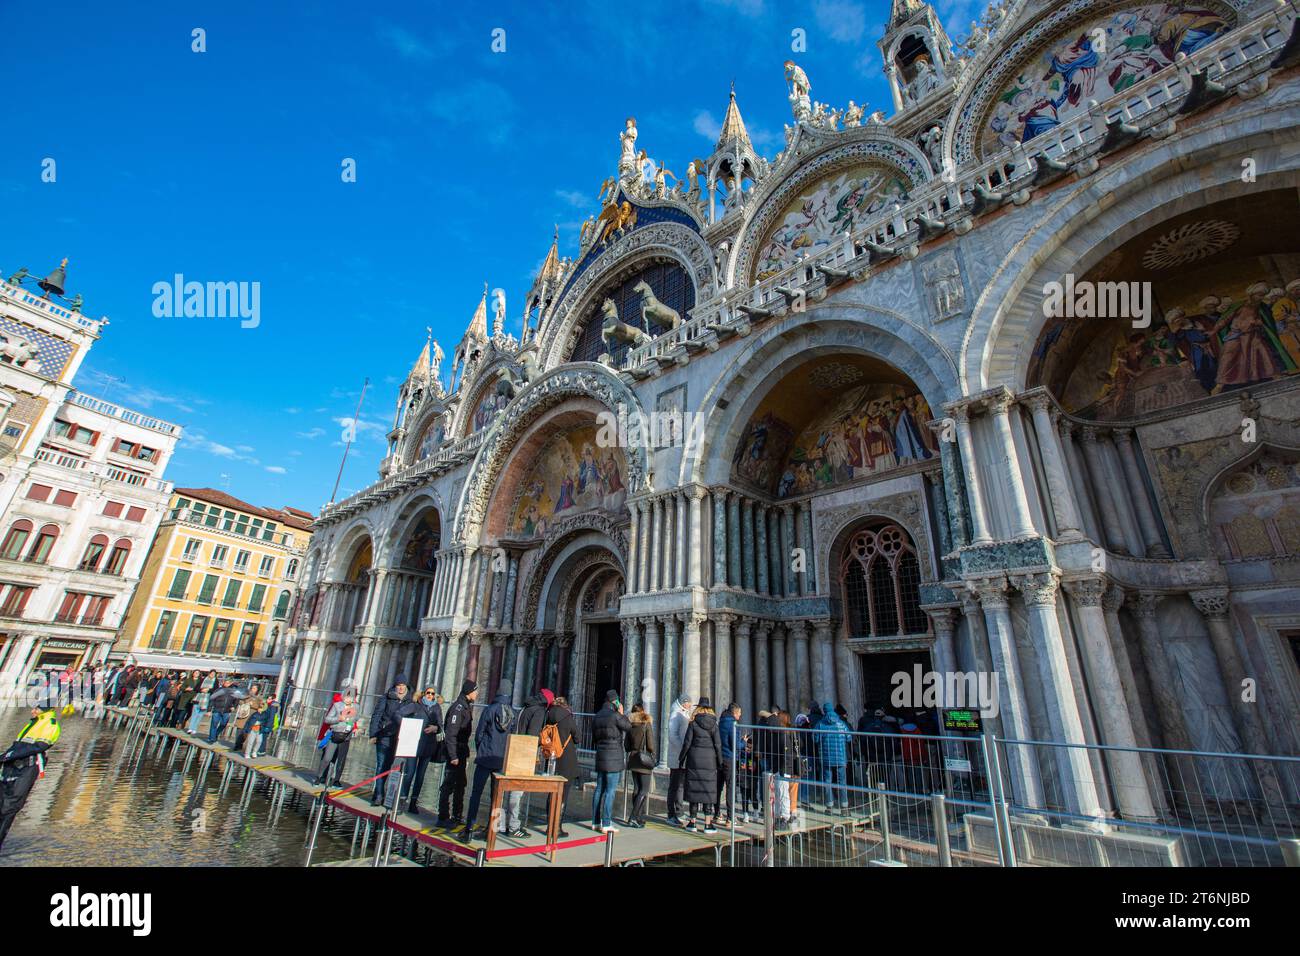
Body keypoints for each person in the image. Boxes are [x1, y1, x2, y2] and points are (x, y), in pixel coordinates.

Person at [0, 707, 61, 852]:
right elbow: (16, 746)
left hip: (26, 769)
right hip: (11, 767)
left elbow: (39, 747)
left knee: (9, 808)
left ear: (46, 710)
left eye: (37, 709)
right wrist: (5, 756)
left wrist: (8, 756)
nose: (33, 711)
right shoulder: (33, 723)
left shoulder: (50, 724)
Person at [461, 679, 515, 841]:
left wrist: (482, 749)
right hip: (500, 760)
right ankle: (493, 831)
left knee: (476, 794)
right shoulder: (512, 713)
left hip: (485, 758)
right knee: (497, 796)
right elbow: (511, 737)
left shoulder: (490, 710)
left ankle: (469, 828)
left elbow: (479, 734)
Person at [504, 690, 549, 834]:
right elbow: (533, 735)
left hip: (515, 748)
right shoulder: (539, 711)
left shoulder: (526, 707)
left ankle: (504, 823)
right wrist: (540, 746)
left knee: (510, 788)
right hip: (524, 752)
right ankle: (514, 826)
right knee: (518, 790)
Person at [435, 680, 476, 829]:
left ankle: (457, 815)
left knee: (461, 784)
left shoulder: (465, 706)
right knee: (448, 784)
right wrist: (453, 756)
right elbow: (451, 734)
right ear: (468, 692)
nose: (476, 693)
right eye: (474, 691)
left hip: (461, 751)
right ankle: (443, 816)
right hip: (456, 752)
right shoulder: (458, 709)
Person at [679, 698, 723, 833]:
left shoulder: (693, 724)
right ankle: (708, 824)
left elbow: (687, 743)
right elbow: (718, 745)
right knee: (707, 791)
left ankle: (692, 823)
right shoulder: (714, 724)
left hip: (694, 759)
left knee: (694, 790)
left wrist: (681, 758)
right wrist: (720, 761)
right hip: (710, 761)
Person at [592, 689, 632, 833]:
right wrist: (621, 713)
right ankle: (607, 823)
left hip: (601, 756)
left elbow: (594, 738)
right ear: (615, 701)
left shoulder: (597, 716)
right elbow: (628, 726)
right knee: (610, 791)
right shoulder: (615, 716)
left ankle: (595, 821)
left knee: (599, 789)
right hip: (613, 757)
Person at [368, 675, 410, 807]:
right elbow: (377, 715)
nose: (401, 687)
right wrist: (373, 734)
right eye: (398, 685)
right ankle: (379, 795)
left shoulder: (410, 700)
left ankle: (389, 796)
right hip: (384, 735)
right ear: (395, 686)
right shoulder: (386, 697)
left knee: (395, 768)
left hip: (400, 739)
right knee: (382, 765)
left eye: (403, 685)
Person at [542, 694, 579, 836]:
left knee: (552, 793)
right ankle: (557, 827)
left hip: (551, 758)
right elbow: (578, 737)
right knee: (563, 794)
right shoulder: (567, 717)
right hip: (566, 759)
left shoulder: (548, 715)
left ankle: (549, 826)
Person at [403, 686, 442, 814]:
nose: (430, 695)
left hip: (428, 746)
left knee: (421, 776)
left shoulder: (437, 708)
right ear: (424, 693)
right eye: (428, 693)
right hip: (413, 744)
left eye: (432, 693)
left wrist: (435, 728)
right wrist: (406, 728)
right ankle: (402, 799)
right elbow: (400, 714)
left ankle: (413, 802)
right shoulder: (416, 705)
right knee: (409, 773)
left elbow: (441, 725)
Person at [314, 689, 359, 786]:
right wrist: (339, 718)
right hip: (335, 733)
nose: (349, 699)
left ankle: (336, 780)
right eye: (348, 696)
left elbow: (355, 719)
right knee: (328, 757)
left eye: (352, 697)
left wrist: (352, 724)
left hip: (346, 735)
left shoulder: (356, 707)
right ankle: (320, 776)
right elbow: (327, 719)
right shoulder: (337, 705)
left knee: (341, 759)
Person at [816, 700, 852, 812]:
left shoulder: (820, 724)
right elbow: (849, 737)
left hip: (826, 758)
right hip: (841, 757)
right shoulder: (841, 724)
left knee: (828, 782)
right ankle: (844, 807)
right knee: (842, 782)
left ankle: (829, 806)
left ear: (824, 711)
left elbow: (815, 739)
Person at [623, 703, 655, 827]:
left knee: (636, 788)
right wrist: (653, 754)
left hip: (633, 758)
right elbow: (651, 744)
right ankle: (633, 817)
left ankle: (638, 816)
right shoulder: (646, 724)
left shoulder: (630, 726)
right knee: (644, 790)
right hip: (644, 758)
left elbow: (626, 746)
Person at [665, 694, 693, 825]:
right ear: (684, 702)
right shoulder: (675, 714)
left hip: (682, 757)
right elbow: (672, 734)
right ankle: (671, 814)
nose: (690, 705)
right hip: (677, 756)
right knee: (674, 786)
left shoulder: (684, 713)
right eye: (689, 703)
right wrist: (683, 748)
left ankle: (680, 811)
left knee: (680, 786)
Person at [717, 702, 746, 824]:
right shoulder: (733, 724)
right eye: (739, 713)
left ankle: (716, 814)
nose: (740, 716)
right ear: (734, 712)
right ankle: (730, 817)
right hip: (729, 758)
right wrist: (743, 743)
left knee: (718, 787)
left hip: (720, 758)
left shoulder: (721, 721)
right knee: (730, 788)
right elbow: (734, 745)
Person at [206, 679, 237, 744]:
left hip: (226, 710)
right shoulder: (218, 690)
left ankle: (215, 734)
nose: (227, 684)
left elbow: (236, 700)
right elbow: (212, 699)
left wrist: (234, 706)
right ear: (223, 683)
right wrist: (209, 710)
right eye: (226, 682)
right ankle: (212, 739)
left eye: (229, 683)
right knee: (214, 724)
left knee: (223, 724)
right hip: (217, 709)